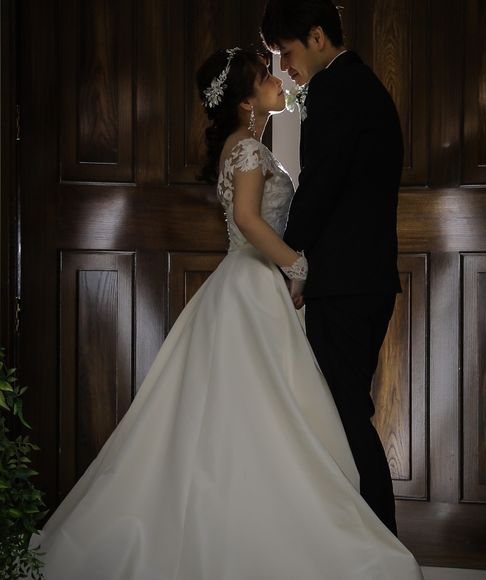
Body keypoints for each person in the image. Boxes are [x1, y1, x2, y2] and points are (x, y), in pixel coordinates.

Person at [27, 47, 423, 579]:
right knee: (257, 410)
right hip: (252, 285)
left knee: (252, 411)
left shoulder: (244, 147)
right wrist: (298, 264)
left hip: (246, 284)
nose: (277, 79)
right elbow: (249, 221)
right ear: (244, 102)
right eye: (264, 76)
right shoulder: (248, 150)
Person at [261, 0, 404, 536]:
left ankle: (383, 545)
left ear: (317, 37)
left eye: (287, 52)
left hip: (344, 284)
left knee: (344, 417)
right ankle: (363, 543)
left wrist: (291, 258)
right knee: (343, 413)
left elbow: (320, 184)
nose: (284, 68)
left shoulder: (335, 90)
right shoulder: (365, 87)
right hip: (365, 280)